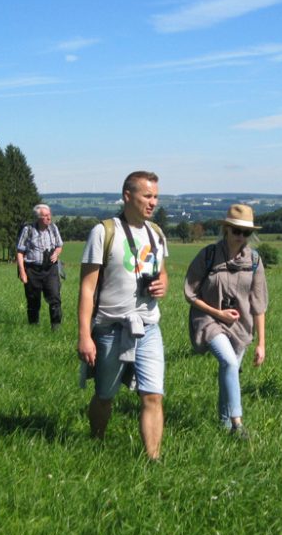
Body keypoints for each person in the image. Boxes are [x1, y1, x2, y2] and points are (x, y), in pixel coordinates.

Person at [77, 171, 169, 460]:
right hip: (112, 327)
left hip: (149, 326)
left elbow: (162, 270)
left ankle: (153, 459)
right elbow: (87, 287)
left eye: (155, 196)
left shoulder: (156, 233)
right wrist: (84, 336)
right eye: (147, 196)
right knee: (105, 395)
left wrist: (163, 283)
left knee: (153, 396)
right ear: (127, 196)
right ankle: (96, 442)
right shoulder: (104, 232)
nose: (153, 202)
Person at [184, 204, 268, 439]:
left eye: (246, 232)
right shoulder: (208, 255)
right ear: (226, 230)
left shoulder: (254, 261)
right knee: (230, 363)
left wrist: (261, 343)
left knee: (229, 370)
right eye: (236, 231)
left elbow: (258, 303)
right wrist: (217, 313)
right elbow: (190, 294)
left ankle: (223, 425)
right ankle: (237, 424)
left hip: (240, 326)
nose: (241, 237)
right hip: (208, 319)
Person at [16, 204, 64, 329]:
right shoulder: (28, 230)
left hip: (50, 269)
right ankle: (33, 327)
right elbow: (20, 251)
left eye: (50, 214)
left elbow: (59, 245)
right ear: (38, 217)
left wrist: (57, 253)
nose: (49, 218)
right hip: (32, 270)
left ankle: (56, 328)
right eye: (46, 216)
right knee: (33, 300)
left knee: (55, 298)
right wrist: (22, 272)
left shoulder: (53, 228)